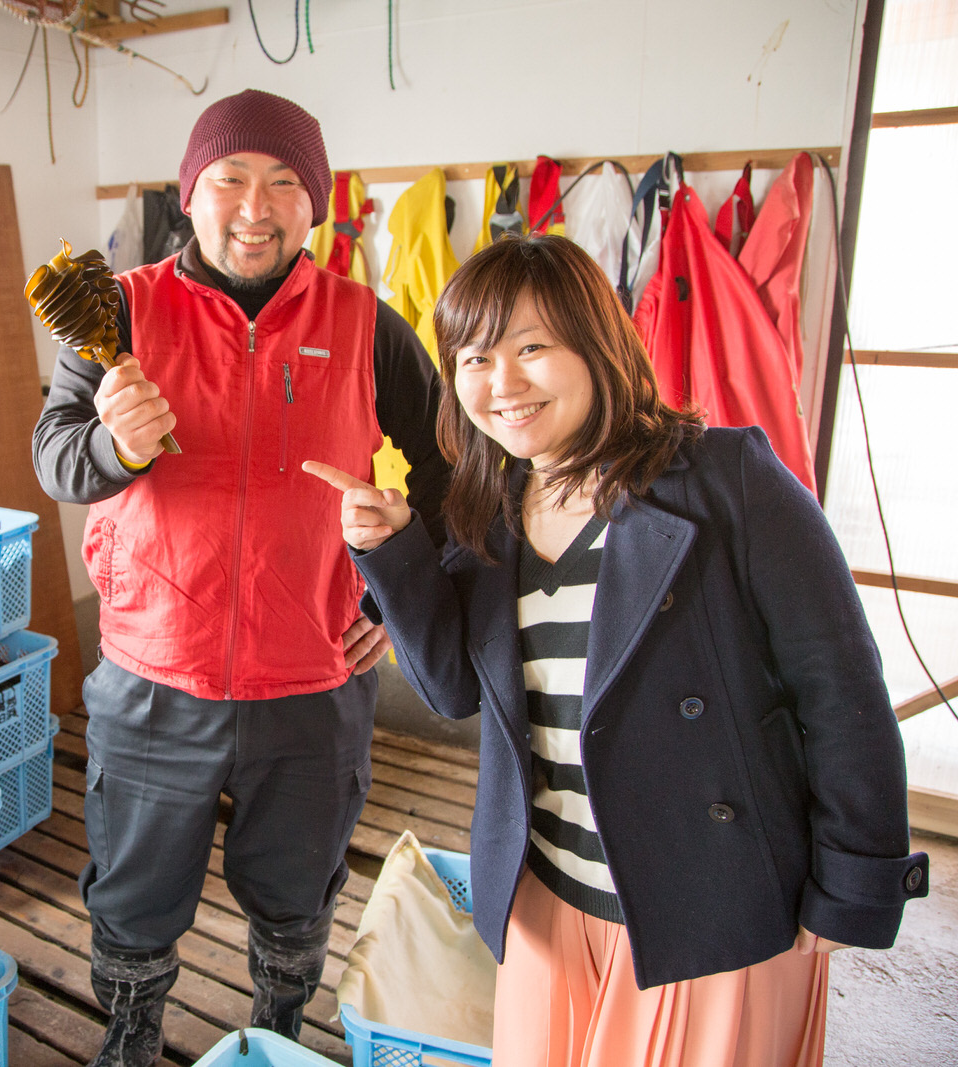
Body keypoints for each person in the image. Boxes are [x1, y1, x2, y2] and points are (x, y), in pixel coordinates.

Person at [305, 233, 928, 1067]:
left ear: (598, 345)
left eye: (532, 348)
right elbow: (452, 689)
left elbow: (842, 689)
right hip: (547, 899)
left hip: (706, 909)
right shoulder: (488, 511)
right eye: (476, 358)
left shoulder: (727, 479)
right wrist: (392, 549)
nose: (502, 383)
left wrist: (854, 885)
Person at [31, 88, 452, 1067]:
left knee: (297, 892)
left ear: (317, 204)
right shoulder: (120, 311)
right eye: (229, 179)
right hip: (152, 675)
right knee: (133, 895)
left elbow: (448, 468)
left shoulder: (365, 323)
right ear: (191, 192)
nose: (255, 208)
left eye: (283, 184)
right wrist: (114, 447)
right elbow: (53, 454)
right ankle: (130, 1035)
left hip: (312, 684)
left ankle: (278, 1029)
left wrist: (396, 594)